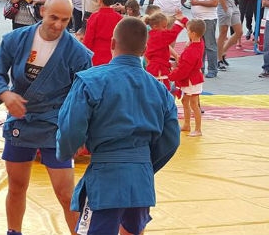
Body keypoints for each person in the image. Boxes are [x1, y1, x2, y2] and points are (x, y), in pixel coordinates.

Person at [56, 17, 180, 235]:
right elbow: (171, 139)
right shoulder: (160, 90)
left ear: (112, 43)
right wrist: (143, 165)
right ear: (144, 49)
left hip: (106, 176)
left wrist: (65, 151)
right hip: (141, 180)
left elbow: (70, 128)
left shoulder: (90, 80)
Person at [0, 0, 93, 235]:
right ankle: (14, 232)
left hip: (56, 124)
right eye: (54, 17)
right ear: (42, 11)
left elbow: (85, 97)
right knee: (17, 185)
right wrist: (4, 94)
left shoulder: (78, 53)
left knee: (66, 194)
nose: (58, 25)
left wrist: (79, 134)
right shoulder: (16, 39)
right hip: (22, 119)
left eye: (65, 20)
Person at [168, 19, 205, 137]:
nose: (187, 32)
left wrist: (172, 75)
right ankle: (187, 124)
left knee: (194, 104)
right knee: (185, 101)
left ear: (193, 33)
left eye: (188, 31)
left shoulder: (192, 51)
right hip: (191, 78)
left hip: (192, 80)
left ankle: (198, 129)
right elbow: (196, 26)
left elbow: (184, 70)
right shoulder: (198, 43)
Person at [191, 0, 221, 77]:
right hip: (198, 18)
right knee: (199, 45)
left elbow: (214, 2)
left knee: (210, 45)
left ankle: (213, 69)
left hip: (208, 18)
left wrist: (198, 2)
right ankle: (200, 68)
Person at [144, 10, 188, 89]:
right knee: (163, 90)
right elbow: (172, 34)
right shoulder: (158, 36)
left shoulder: (155, 36)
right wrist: (180, 22)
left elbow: (167, 45)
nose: (166, 29)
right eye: (164, 27)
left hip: (156, 66)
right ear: (155, 27)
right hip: (158, 69)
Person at [83, 0, 123, 66]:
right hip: (113, 55)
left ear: (100, 0)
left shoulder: (94, 17)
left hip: (96, 55)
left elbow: (88, 39)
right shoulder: (119, 18)